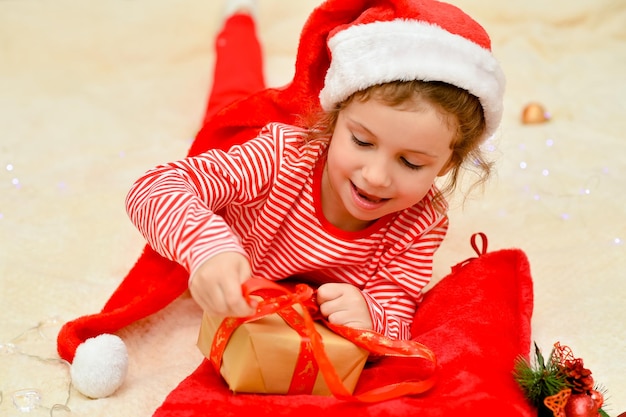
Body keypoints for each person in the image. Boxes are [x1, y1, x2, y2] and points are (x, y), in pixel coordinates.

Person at [56, 0, 506, 399]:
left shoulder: (422, 221)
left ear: (447, 164)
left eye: (412, 163)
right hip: (255, 157)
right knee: (233, 93)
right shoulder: (278, 157)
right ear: (333, 116)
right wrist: (206, 248)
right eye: (362, 141)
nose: (376, 176)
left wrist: (370, 313)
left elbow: (397, 308)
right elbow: (154, 188)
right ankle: (237, 21)